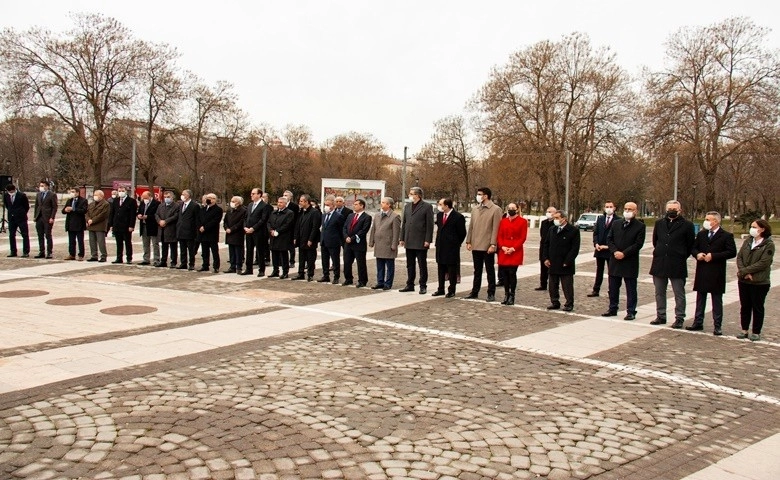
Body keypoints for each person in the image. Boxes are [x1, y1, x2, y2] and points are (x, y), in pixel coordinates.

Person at [687, 211, 737, 335]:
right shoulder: (702, 234)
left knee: (716, 299)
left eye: (709, 219)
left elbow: (731, 252)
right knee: (700, 298)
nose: (706, 221)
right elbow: (693, 248)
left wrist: (714, 256)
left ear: (716, 221)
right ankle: (698, 322)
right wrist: (697, 254)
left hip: (716, 271)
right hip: (702, 269)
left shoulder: (726, 235)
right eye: (706, 219)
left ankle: (717, 325)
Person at [648, 200, 695, 327]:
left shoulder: (687, 225)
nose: (672, 211)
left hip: (677, 263)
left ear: (680, 210)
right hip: (660, 262)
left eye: (674, 209)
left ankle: (679, 317)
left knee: (678, 293)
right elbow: (655, 241)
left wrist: (680, 255)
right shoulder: (659, 223)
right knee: (659, 292)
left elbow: (690, 244)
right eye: (670, 209)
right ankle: (661, 316)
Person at [603, 201, 646, 320]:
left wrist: (624, 253)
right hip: (615, 260)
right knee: (613, 287)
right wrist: (615, 251)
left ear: (635, 211)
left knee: (631, 288)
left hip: (629, 261)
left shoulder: (640, 226)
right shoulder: (616, 223)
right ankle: (612, 308)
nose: (627, 211)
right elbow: (609, 239)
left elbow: (638, 244)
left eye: (630, 209)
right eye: (626, 208)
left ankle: (631, 311)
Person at [736, 219, 774, 341]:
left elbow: (764, 262)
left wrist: (747, 271)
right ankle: (744, 329)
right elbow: (740, 257)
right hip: (744, 280)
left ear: (762, 229)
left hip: (759, 281)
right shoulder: (748, 241)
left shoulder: (768, 244)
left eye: (754, 226)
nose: (751, 229)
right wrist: (744, 272)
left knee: (757, 306)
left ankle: (756, 331)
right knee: (745, 306)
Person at [465, 187, 503, 301]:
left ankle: (491, 292)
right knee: (477, 270)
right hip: (476, 244)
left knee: (490, 270)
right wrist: (469, 241)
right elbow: (471, 226)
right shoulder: (475, 209)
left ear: (486, 196)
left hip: (487, 245)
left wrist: (493, 244)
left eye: (480, 194)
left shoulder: (495, 209)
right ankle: (474, 291)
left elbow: (496, 228)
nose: (478, 196)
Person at [542, 210, 580, 311]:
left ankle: (569, 303)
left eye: (557, 218)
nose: (555, 220)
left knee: (567, 286)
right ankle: (555, 302)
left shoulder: (573, 230)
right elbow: (546, 244)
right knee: (552, 285)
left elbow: (575, 249)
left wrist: (567, 261)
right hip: (553, 262)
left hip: (565, 263)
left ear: (564, 218)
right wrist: (545, 258)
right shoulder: (552, 229)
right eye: (554, 218)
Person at [399, 187, 434, 294]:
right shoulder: (407, 206)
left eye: (411, 193)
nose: (409, 195)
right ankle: (410, 284)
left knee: (422, 264)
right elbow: (404, 223)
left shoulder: (427, 207)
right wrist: (402, 238)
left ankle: (423, 285)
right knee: (410, 264)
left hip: (420, 240)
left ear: (417, 195)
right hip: (409, 240)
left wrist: (427, 240)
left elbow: (430, 225)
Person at [432, 198, 467, 298]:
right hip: (440, 246)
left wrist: (455, 243)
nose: (439, 206)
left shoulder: (458, 217)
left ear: (447, 206)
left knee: (452, 269)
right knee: (441, 268)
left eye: (441, 204)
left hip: (452, 247)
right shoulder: (439, 215)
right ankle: (440, 288)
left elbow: (462, 233)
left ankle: (451, 289)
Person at [496, 203, 529, 306]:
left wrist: (513, 248)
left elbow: (522, 237)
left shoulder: (522, 221)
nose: (511, 210)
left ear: (517, 209)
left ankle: (512, 295)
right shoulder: (503, 221)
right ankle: (506, 294)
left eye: (513, 208)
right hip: (504, 250)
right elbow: (499, 236)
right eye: (509, 208)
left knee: (512, 273)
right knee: (504, 274)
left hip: (515, 250)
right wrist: (502, 246)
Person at [369, 197, 401, 290]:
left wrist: (394, 244)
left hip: (388, 244)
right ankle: (380, 282)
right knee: (380, 265)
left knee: (389, 266)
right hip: (379, 244)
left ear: (389, 205)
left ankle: (388, 283)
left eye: (383, 203)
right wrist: (371, 241)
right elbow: (373, 229)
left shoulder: (395, 217)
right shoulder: (377, 215)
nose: (381, 204)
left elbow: (396, 232)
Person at [588, 201, 619, 297]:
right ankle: (596, 289)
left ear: (614, 208)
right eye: (607, 206)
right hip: (600, 250)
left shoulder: (618, 220)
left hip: (611, 250)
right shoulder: (601, 219)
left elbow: (618, 237)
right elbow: (595, 233)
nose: (608, 208)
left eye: (610, 206)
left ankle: (612, 291)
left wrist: (609, 247)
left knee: (612, 272)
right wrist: (596, 243)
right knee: (599, 270)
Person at [241, 188, 272, 276]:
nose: (251, 195)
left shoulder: (264, 206)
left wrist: (253, 228)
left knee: (260, 251)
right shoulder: (250, 205)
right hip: (248, 231)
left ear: (259, 195)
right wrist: (245, 227)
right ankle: (248, 268)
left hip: (259, 232)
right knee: (249, 250)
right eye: (251, 193)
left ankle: (261, 269)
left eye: (253, 193)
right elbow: (246, 217)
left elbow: (263, 219)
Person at [342, 199, 372, 287]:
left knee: (360, 263)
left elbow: (363, 230)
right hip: (348, 243)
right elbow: (344, 227)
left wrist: (353, 238)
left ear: (362, 206)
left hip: (359, 244)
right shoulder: (350, 216)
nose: (354, 206)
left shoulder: (367, 217)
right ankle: (348, 279)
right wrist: (346, 236)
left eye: (356, 204)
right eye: (354, 204)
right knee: (347, 262)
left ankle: (362, 281)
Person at [292, 194, 321, 281]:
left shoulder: (314, 212)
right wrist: (295, 237)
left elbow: (315, 227)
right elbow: (298, 225)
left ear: (306, 202)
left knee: (310, 258)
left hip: (309, 239)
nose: (299, 203)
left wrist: (311, 239)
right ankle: (300, 273)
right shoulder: (301, 212)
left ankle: (310, 274)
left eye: (301, 201)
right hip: (301, 238)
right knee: (301, 257)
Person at [318, 195, 346, 284]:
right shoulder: (324, 215)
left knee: (335, 260)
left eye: (328, 205)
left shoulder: (338, 216)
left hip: (334, 242)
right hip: (324, 241)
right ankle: (325, 275)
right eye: (325, 204)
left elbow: (341, 230)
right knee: (324, 260)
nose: (326, 206)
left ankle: (336, 276)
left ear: (333, 206)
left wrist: (341, 242)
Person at [108, 186, 137, 264]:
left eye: (122, 190)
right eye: (119, 190)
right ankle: (119, 258)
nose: (121, 192)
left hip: (126, 225)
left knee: (127, 242)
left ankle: (129, 258)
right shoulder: (115, 201)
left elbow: (132, 215)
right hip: (117, 225)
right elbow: (112, 213)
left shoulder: (131, 201)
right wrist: (111, 225)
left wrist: (131, 226)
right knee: (119, 242)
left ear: (126, 191)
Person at [268, 196, 295, 278]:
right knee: (274, 254)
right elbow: (268, 222)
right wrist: (271, 230)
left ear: (285, 204)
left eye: (281, 202)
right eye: (278, 202)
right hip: (273, 236)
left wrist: (278, 231)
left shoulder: (289, 213)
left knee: (283, 255)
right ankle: (275, 270)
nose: (279, 204)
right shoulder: (274, 212)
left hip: (283, 237)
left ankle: (285, 271)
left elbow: (287, 224)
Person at [198, 193, 223, 273]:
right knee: (204, 251)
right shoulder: (202, 209)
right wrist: (200, 226)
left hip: (212, 233)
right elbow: (199, 219)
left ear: (215, 200)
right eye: (208, 198)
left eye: (211, 198)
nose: (209, 199)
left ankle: (216, 266)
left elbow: (215, 221)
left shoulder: (218, 210)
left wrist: (205, 227)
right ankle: (205, 265)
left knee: (214, 251)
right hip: (203, 233)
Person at [4, 184, 30, 258]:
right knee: (11, 235)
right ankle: (13, 251)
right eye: (9, 192)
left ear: (14, 189)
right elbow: (7, 205)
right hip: (11, 218)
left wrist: (21, 213)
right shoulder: (6, 195)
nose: (10, 193)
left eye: (11, 191)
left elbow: (26, 206)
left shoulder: (21, 195)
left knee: (24, 234)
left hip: (21, 218)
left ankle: (26, 251)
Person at [61, 187, 88, 260]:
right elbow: (63, 211)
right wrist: (65, 210)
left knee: (80, 240)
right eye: (71, 192)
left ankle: (81, 255)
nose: (72, 193)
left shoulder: (83, 201)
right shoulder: (69, 200)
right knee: (71, 240)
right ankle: (72, 254)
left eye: (73, 191)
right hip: (70, 223)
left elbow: (84, 210)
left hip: (79, 224)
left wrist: (73, 209)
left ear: (77, 192)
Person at [535, 206, 557, 291]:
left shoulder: (555, 223)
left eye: (550, 212)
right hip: (543, 246)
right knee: (543, 266)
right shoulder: (544, 222)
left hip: (553, 247)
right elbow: (542, 234)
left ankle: (553, 285)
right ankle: (543, 284)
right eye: (547, 211)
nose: (548, 213)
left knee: (551, 267)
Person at [155, 190, 179, 268]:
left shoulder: (176, 206)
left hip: (171, 229)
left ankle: (173, 262)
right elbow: (156, 214)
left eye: (168, 197)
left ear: (172, 197)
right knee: (164, 246)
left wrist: (166, 221)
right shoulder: (161, 206)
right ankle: (163, 261)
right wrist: (159, 221)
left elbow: (176, 216)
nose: (166, 198)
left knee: (173, 247)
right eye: (165, 197)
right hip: (162, 229)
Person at [34, 180, 58, 259]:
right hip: (39, 217)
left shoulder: (52, 195)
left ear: (47, 186)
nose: (41, 187)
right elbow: (36, 206)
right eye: (40, 185)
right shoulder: (38, 194)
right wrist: (35, 216)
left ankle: (49, 252)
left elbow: (54, 207)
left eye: (43, 185)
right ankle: (41, 251)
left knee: (48, 235)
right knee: (40, 235)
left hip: (47, 217)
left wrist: (52, 217)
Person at [223, 196, 247, 273]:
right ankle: (232, 266)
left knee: (238, 251)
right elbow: (225, 221)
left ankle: (239, 267)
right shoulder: (229, 210)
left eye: (234, 201)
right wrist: (226, 228)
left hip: (237, 233)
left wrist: (232, 229)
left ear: (238, 203)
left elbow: (241, 222)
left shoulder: (243, 211)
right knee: (231, 250)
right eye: (231, 201)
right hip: (229, 233)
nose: (232, 203)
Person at [176, 189, 199, 270]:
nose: (182, 195)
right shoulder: (181, 204)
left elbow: (197, 219)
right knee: (182, 249)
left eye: (184, 194)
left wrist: (196, 231)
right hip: (181, 230)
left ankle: (191, 264)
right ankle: (183, 263)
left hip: (190, 231)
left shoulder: (194, 205)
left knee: (191, 249)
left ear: (188, 195)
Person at [136, 191, 160, 266]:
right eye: (143, 197)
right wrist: (139, 215)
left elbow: (157, 215)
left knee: (155, 243)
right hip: (143, 225)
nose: (144, 199)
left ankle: (156, 259)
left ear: (150, 196)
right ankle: (146, 258)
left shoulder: (156, 203)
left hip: (153, 226)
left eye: (146, 198)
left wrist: (148, 217)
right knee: (145, 244)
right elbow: (139, 211)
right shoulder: (142, 203)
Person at [86, 190, 110, 262]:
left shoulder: (106, 204)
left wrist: (93, 220)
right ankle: (94, 255)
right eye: (94, 195)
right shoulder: (91, 204)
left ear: (101, 196)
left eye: (97, 195)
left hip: (100, 225)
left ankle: (103, 255)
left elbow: (103, 215)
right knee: (92, 241)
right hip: (91, 225)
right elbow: (87, 213)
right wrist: (88, 219)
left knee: (101, 242)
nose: (95, 196)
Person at [283, 190, 299, 268]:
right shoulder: (282, 205)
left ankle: (292, 261)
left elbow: (296, 218)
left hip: (291, 228)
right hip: (283, 229)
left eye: (286, 195)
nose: (284, 196)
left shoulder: (294, 206)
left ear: (290, 197)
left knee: (291, 247)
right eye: (284, 195)